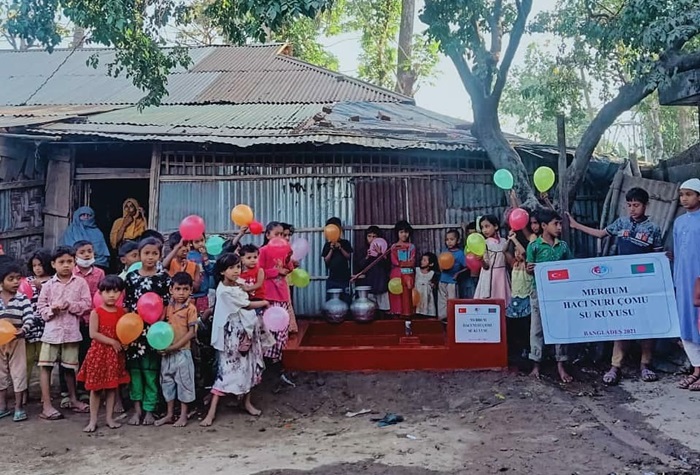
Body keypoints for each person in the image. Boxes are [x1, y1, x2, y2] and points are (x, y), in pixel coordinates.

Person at [567, 187, 663, 385]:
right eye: (629, 205)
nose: (632, 209)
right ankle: (615, 365)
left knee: (646, 324)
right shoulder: (621, 223)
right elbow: (601, 234)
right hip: (622, 283)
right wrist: (576, 225)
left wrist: (665, 260)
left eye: (636, 205)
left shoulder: (653, 228)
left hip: (644, 284)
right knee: (622, 322)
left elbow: (659, 258)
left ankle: (645, 365)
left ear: (646, 205)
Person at [201, 253, 270, 427]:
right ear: (223, 271)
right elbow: (246, 304)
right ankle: (211, 413)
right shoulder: (224, 291)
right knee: (226, 372)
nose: (236, 271)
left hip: (245, 332)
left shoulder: (237, 284)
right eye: (231, 268)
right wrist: (264, 303)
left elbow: (247, 289)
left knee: (249, 367)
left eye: (238, 267)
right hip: (230, 337)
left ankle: (246, 402)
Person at [37, 246, 92, 420]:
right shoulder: (48, 285)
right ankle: (46, 405)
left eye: (69, 261)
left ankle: (74, 399)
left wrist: (72, 306)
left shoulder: (80, 283)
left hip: (71, 332)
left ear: (74, 262)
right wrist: (51, 311)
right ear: (53, 264)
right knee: (46, 367)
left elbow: (87, 304)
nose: (66, 265)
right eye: (61, 262)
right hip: (52, 332)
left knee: (70, 368)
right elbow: (40, 307)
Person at [123, 237, 171, 426]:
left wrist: (157, 325)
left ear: (160, 256)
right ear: (140, 255)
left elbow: (166, 304)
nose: (150, 257)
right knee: (135, 371)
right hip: (134, 332)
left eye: (154, 254)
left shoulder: (163, 278)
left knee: (151, 371)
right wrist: (129, 328)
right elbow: (127, 305)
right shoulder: (131, 277)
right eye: (146, 253)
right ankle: (136, 410)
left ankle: (150, 410)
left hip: (155, 332)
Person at [76, 275, 130, 433]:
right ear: (100, 293)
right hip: (99, 354)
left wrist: (124, 342)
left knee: (112, 387)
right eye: (107, 291)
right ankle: (92, 420)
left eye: (116, 291)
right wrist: (112, 342)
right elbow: (93, 334)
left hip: (114, 355)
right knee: (96, 389)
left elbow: (124, 332)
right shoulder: (96, 312)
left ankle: (109, 418)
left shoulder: (121, 312)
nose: (112, 295)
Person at [526, 209, 574, 383]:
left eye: (560, 223)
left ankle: (561, 364)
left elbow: (571, 267)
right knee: (537, 329)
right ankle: (536, 365)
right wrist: (529, 269)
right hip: (538, 291)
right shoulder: (534, 246)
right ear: (544, 226)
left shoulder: (563, 247)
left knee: (560, 327)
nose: (559, 227)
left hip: (559, 293)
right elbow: (529, 270)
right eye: (556, 224)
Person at [155, 272, 198, 428]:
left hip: (182, 352)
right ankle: (169, 414)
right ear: (171, 290)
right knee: (167, 382)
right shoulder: (168, 307)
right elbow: (159, 327)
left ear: (191, 290)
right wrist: (160, 346)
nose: (181, 293)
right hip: (167, 353)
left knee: (184, 384)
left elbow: (192, 332)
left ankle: (183, 415)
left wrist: (174, 347)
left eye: (185, 289)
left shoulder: (190, 309)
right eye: (178, 289)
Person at [670, 178, 700, 390]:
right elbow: (679, 252)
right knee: (686, 325)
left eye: (689, 194)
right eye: (682, 194)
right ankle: (697, 369)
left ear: (699, 196)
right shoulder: (679, 222)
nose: (684, 198)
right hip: (684, 280)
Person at [69, 240, 106, 402]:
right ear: (75, 255)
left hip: (92, 320)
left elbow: (101, 296)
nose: (86, 254)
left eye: (89, 251)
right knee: (70, 355)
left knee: (87, 354)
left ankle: (84, 387)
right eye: (82, 252)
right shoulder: (70, 272)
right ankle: (67, 390)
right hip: (73, 319)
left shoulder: (99, 273)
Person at [258, 222, 294, 383]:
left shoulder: (284, 250)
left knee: (282, 334)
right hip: (270, 296)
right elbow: (258, 272)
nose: (280, 238)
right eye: (276, 234)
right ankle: (271, 368)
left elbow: (290, 268)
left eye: (282, 234)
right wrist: (276, 271)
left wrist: (288, 258)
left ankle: (276, 365)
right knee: (270, 334)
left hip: (283, 295)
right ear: (267, 235)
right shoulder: (263, 251)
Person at [0, 259, 36, 422]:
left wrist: (24, 330)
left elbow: (30, 316)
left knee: (18, 373)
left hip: (17, 340)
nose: (15, 282)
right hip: (0, 342)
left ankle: (19, 407)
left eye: (18, 278)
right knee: (0, 375)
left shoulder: (22, 299)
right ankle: (2, 406)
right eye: (11, 279)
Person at [24, 249, 53, 402]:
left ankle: (45, 393)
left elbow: (53, 299)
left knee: (45, 362)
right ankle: (23, 390)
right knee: (26, 361)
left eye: (40, 265)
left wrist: (42, 288)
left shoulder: (53, 281)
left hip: (45, 327)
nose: (37, 268)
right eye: (34, 265)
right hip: (29, 328)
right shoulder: (27, 281)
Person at [505, 225, 534, 362]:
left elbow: (524, 252)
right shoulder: (514, 265)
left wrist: (516, 241)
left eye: (519, 251)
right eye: (515, 251)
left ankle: (527, 349)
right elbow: (504, 251)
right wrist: (510, 239)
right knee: (513, 326)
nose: (517, 253)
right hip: (514, 299)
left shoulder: (528, 265)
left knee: (525, 326)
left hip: (525, 299)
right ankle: (515, 350)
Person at [474, 215, 511, 305]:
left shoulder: (504, 241)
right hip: (489, 276)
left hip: (502, 275)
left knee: (504, 301)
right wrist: (481, 260)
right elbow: (486, 266)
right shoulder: (484, 243)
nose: (484, 230)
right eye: (482, 227)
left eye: (487, 226)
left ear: (496, 226)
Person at [356, 226, 390, 312]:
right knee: (370, 311)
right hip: (369, 284)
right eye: (369, 236)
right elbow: (359, 267)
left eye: (374, 236)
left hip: (381, 283)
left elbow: (388, 266)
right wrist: (367, 257)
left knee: (383, 310)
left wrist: (380, 254)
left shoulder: (385, 250)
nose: (371, 239)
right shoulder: (363, 251)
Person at [322, 217, 353, 304]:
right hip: (332, 277)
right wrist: (331, 249)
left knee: (346, 299)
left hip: (344, 277)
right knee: (332, 301)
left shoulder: (345, 243)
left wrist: (340, 248)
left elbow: (348, 257)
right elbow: (326, 260)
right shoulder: (327, 245)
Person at [389, 220, 416, 317]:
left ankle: (408, 314)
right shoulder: (393, 247)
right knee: (396, 293)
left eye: (406, 232)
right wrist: (402, 264)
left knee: (408, 294)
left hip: (408, 272)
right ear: (397, 233)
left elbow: (412, 260)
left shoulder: (412, 246)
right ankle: (396, 312)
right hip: (396, 272)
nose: (404, 234)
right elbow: (393, 260)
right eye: (401, 232)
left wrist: (406, 264)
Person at [438, 229, 466, 320]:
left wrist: (458, 274)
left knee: (452, 302)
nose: (449, 242)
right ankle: (443, 319)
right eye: (447, 240)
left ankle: (453, 320)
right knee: (442, 302)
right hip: (442, 280)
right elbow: (441, 264)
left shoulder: (460, 253)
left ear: (457, 240)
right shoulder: (445, 252)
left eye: (452, 239)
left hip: (452, 282)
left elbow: (467, 267)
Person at [458, 222, 480, 299]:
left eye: (474, 234)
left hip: (479, 275)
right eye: (470, 234)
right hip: (468, 275)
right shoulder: (467, 244)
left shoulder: (480, 244)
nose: (472, 236)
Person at [414, 252, 438, 317]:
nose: (422, 262)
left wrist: (433, 285)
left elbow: (434, 284)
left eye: (424, 260)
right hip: (417, 294)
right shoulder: (417, 271)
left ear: (431, 264)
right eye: (422, 260)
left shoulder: (432, 273)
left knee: (426, 308)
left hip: (426, 295)